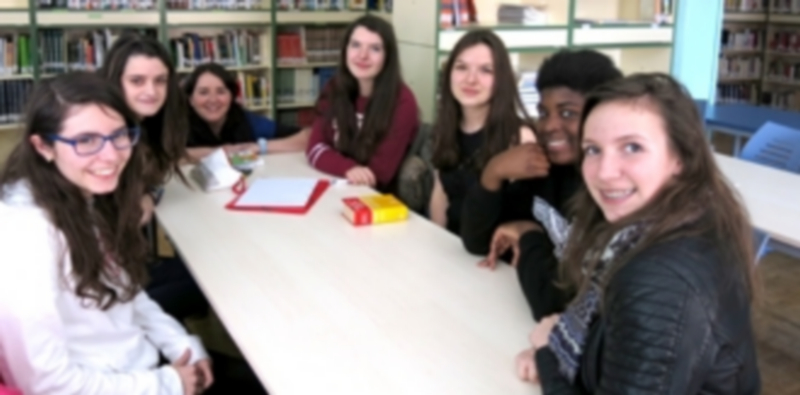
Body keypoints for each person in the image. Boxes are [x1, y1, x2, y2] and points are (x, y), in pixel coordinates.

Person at [516, 73, 760, 393]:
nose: (605, 172)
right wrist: (560, 342)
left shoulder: (660, 279)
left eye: (632, 147)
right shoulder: (676, 221)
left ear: (680, 158)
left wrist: (548, 356)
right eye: (593, 150)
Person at [0, 72, 212, 395]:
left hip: (134, 368)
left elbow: (124, 293)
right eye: (85, 140)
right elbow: (48, 385)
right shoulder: (28, 237)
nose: (111, 155)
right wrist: (169, 383)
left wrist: (180, 344)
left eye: (119, 135)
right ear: (43, 146)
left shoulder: (80, 195)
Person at [461, 49, 622, 320]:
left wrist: (527, 235)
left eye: (568, 113)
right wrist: (494, 171)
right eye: (543, 113)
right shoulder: (544, 171)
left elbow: (556, 305)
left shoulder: (614, 193)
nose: (548, 126)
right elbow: (477, 242)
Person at [99, 32, 210, 322]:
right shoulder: (105, 137)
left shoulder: (144, 126)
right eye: (137, 81)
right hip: (99, 283)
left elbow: (151, 181)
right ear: (115, 81)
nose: (151, 91)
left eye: (160, 81)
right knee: (208, 284)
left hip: (122, 264)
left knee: (207, 269)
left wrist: (148, 195)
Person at [428, 29, 535, 234]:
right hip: (450, 245)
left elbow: (524, 218)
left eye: (486, 70)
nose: (470, 79)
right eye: (461, 67)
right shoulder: (445, 128)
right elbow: (440, 194)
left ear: (502, 79)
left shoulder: (520, 137)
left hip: (493, 250)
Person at [306, 15, 420, 193]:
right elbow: (314, 148)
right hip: (339, 187)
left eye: (375, 48)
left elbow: (377, 175)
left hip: (378, 200)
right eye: (355, 45)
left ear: (388, 57)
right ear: (345, 50)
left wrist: (338, 164)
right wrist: (348, 168)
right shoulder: (334, 87)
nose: (362, 55)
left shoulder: (403, 102)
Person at [183, 63, 310, 162]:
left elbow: (309, 137)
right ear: (190, 99)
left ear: (232, 96)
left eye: (221, 91)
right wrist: (219, 152)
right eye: (203, 92)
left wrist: (260, 147)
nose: (213, 100)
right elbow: (171, 156)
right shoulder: (178, 124)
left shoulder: (248, 121)